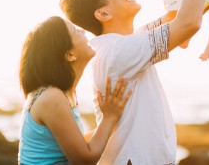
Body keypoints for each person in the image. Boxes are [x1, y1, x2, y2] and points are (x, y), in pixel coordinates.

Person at [59, 0, 207, 165]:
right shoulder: (119, 51)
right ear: (103, 13)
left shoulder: (123, 43)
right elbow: (188, 23)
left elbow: (177, 19)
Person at [18, 16, 132, 165]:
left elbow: (78, 143)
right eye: (75, 31)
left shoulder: (63, 94)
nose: (82, 30)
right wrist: (109, 117)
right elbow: (84, 159)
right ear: (70, 55)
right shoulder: (52, 98)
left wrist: (119, 124)